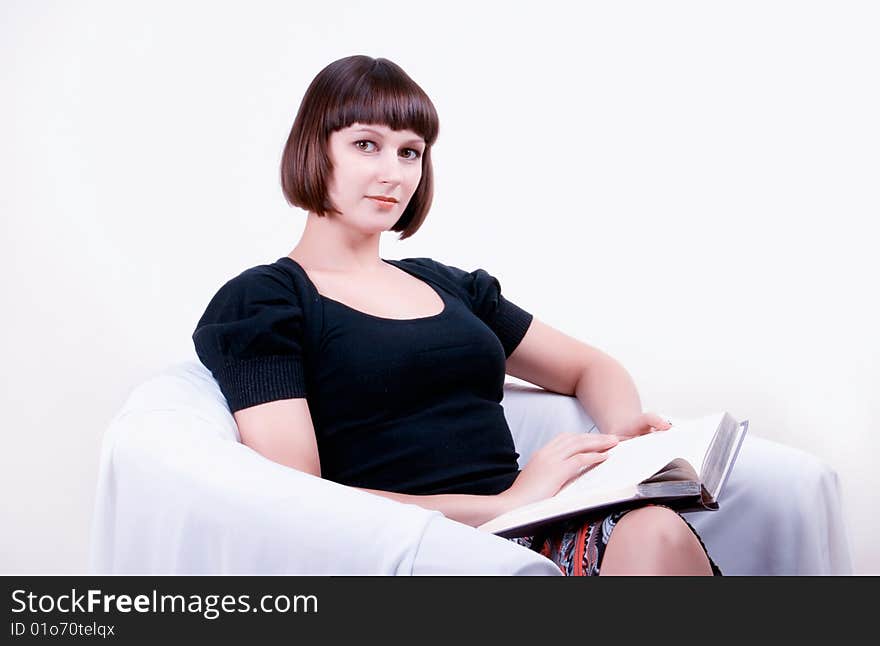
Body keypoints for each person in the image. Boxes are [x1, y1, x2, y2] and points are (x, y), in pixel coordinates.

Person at [192, 54, 721, 576]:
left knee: (656, 529)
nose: (392, 174)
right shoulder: (265, 302)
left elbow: (590, 367)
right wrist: (506, 503)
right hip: (428, 547)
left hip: (535, 523)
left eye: (410, 153)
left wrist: (624, 435)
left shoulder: (449, 284)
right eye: (365, 145)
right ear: (314, 149)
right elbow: (301, 499)